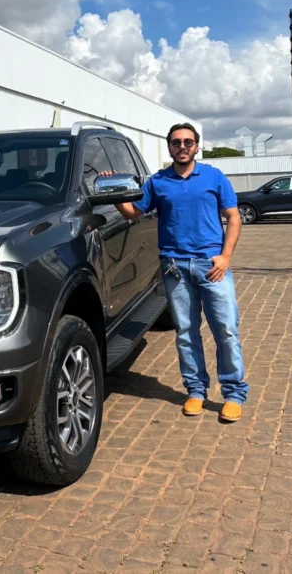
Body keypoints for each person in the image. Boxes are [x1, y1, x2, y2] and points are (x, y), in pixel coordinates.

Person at [103, 122, 249, 422]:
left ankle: (233, 393)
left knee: (226, 330)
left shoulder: (213, 176)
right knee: (185, 333)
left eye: (187, 142)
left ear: (196, 145)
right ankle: (196, 391)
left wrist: (225, 257)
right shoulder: (158, 182)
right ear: (169, 146)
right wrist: (115, 192)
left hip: (212, 267)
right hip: (175, 268)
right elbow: (133, 212)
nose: (182, 147)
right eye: (176, 143)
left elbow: (233, 217)